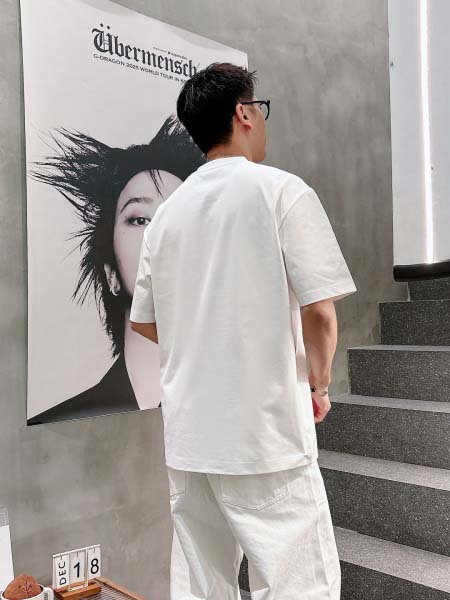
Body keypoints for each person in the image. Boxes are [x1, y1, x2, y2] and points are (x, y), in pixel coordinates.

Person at [130, 62, 357, 599]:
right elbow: (320, 312)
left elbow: (144, 321)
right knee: (300, 584)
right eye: (260, 107)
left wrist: (202, 344)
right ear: (244, 114)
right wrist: (319, 385)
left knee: (202, 586)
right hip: (265, 434)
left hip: (189, 438)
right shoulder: (281, 191)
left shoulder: (166, 217)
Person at [27, 116, 203, 425]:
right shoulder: (65, 421)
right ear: (111, 274)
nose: (162, 232)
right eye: (139, 219)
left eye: (179, 214)